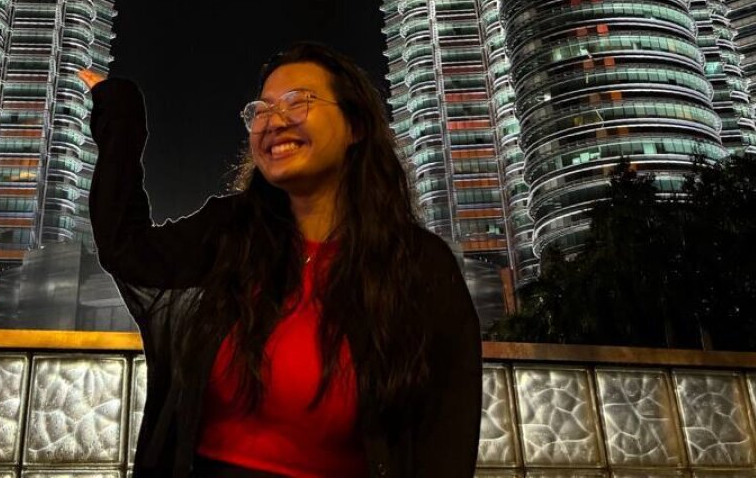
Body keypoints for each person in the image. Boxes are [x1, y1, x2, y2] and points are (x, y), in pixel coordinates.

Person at [79, 41, 481, 478]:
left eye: (298, 101)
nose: (273, 122)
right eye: (261, 110)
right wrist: (121, 118)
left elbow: (446, 430)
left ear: (356, 126)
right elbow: (128, 251)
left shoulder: (418, 266)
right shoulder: (231, 232)